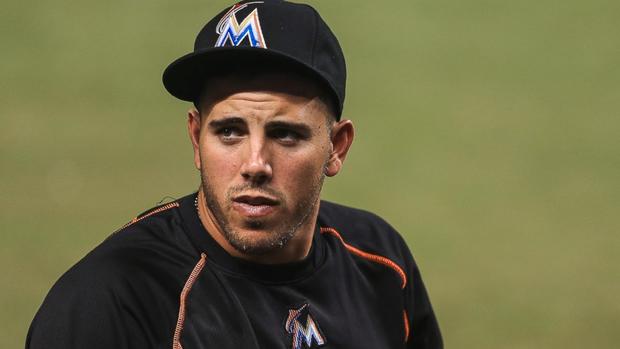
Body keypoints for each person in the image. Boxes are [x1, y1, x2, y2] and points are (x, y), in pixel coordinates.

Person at [26, 1, 443, 348]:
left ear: (336, 147)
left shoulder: (380, 264)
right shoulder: (112, 303)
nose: (255, 164)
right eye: (229, 131)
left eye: (285, 134)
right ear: (195, 138)